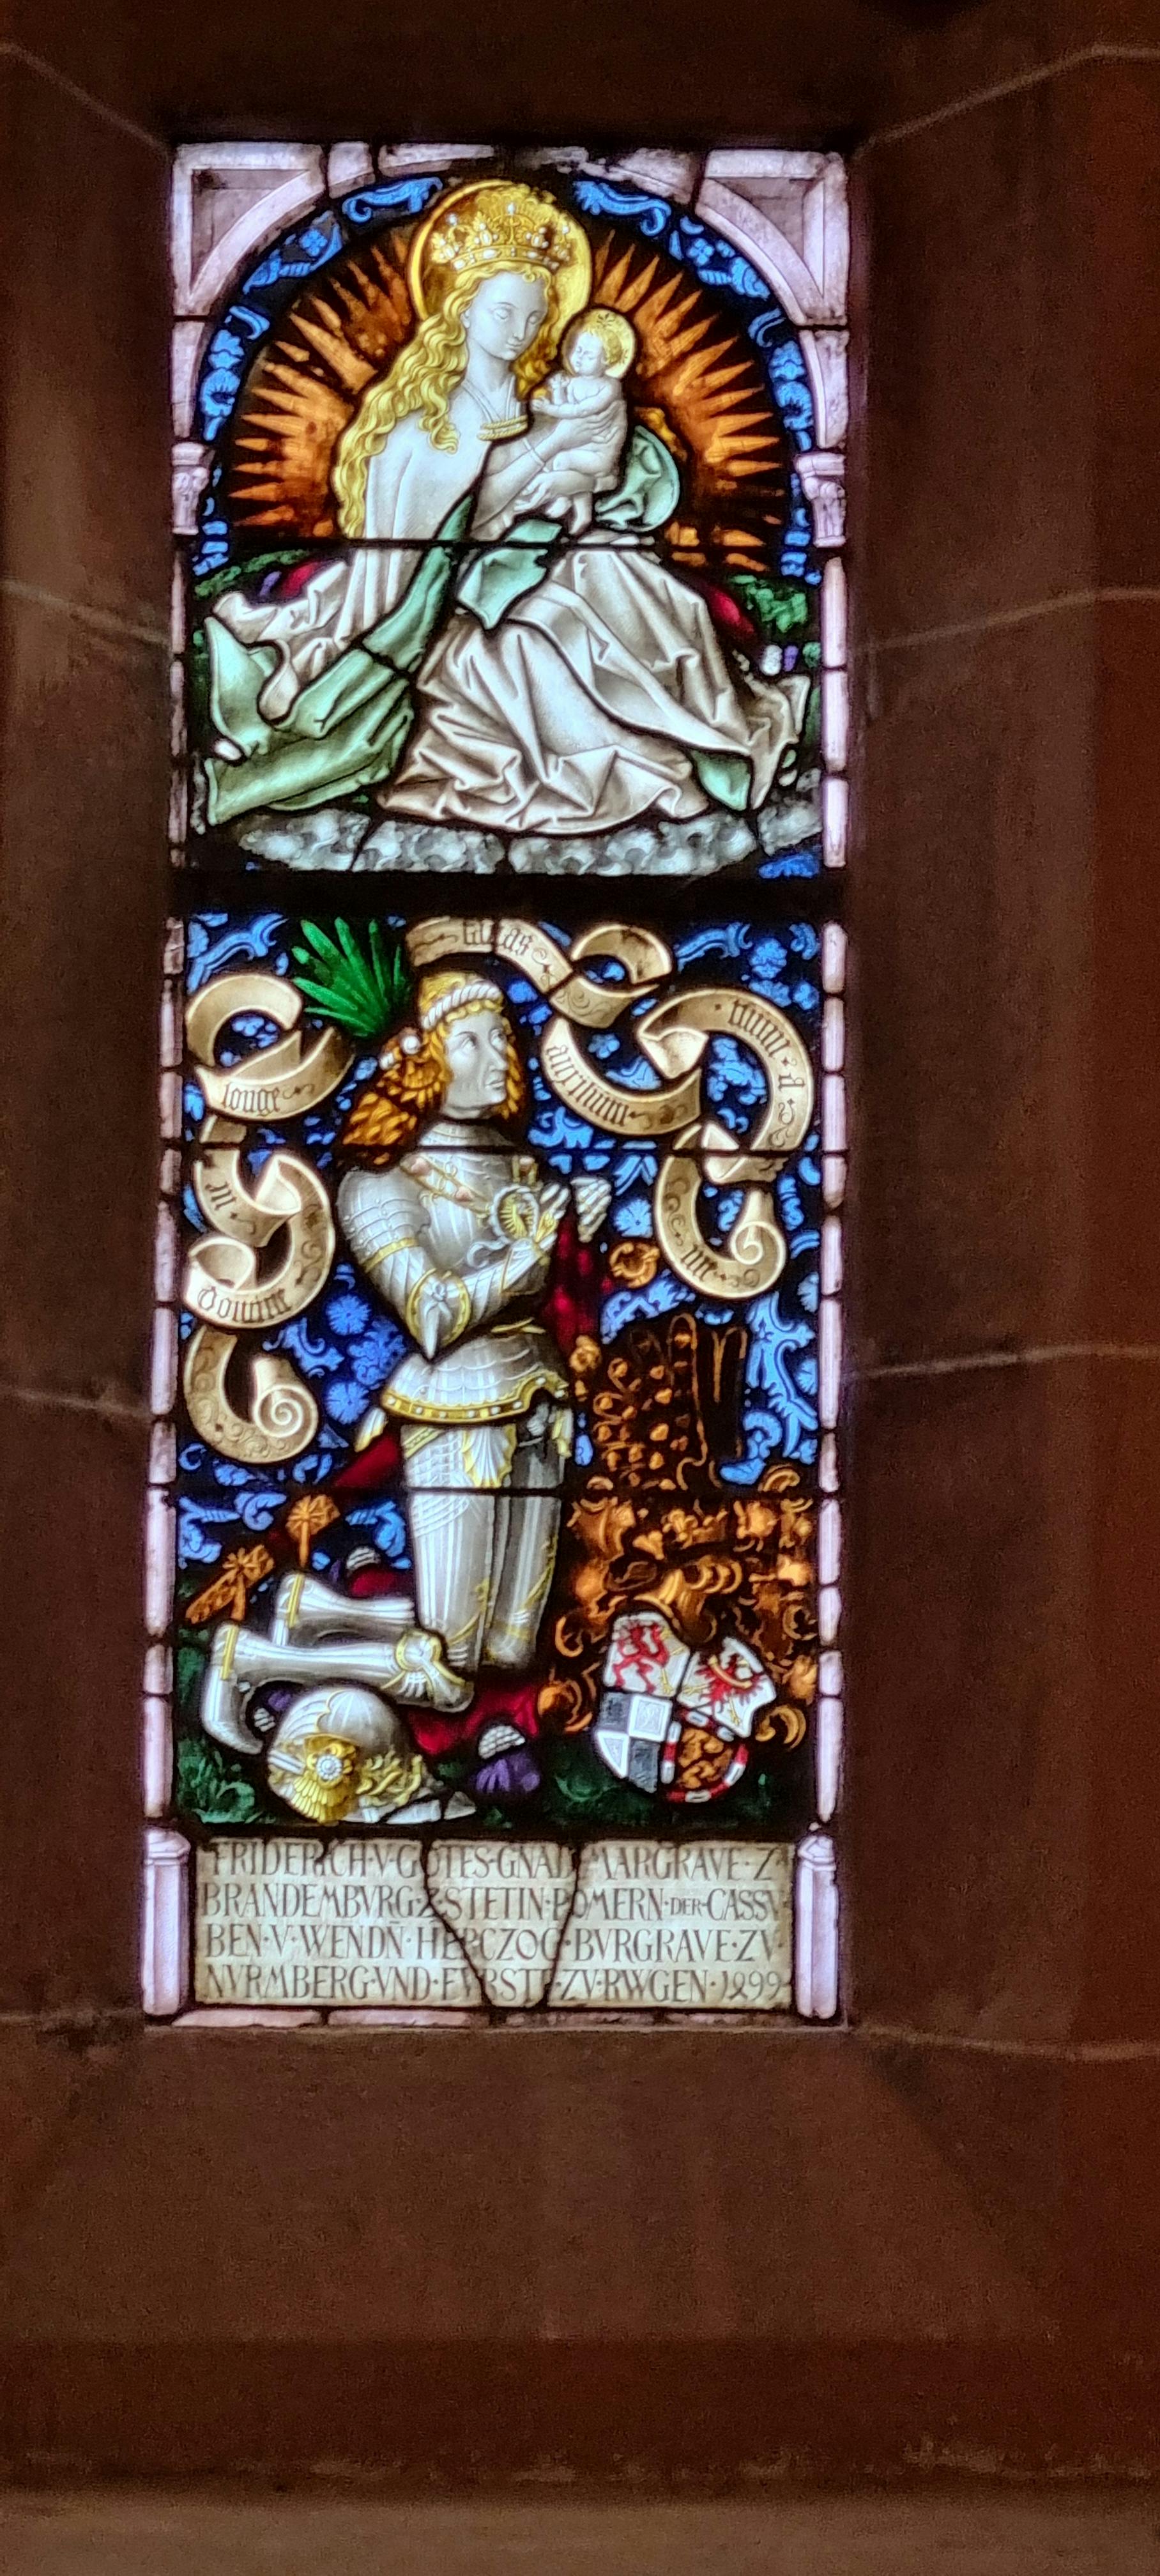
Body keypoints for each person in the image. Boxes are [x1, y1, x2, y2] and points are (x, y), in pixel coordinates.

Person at [201, 178, 809, 836]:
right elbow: (415, 558)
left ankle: (715, 737)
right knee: (536, 640)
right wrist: (543, 463)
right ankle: (643, 758)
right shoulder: (426, 426)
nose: (521, 332)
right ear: (462, 309)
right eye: (504, 313)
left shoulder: (539, 401)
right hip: (449, 608)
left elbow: (578, 479)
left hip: (536, 565)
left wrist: (573, 478)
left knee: (647, 588)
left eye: (534, 317)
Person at [336, 970, 610, 1683]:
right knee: (450, 1654)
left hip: (542, 1401)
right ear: (423, 1059)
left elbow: (559, 1290)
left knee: (512, 1651)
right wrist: (528, 1259)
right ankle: (268, 1654)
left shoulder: (524, 1168)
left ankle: (317, 1611)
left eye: (502, 1039)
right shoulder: (382, 1182)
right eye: (471, 1043)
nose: (500, 1058)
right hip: (453, 1407)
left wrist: (577, 1236)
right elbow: (430, 1316)